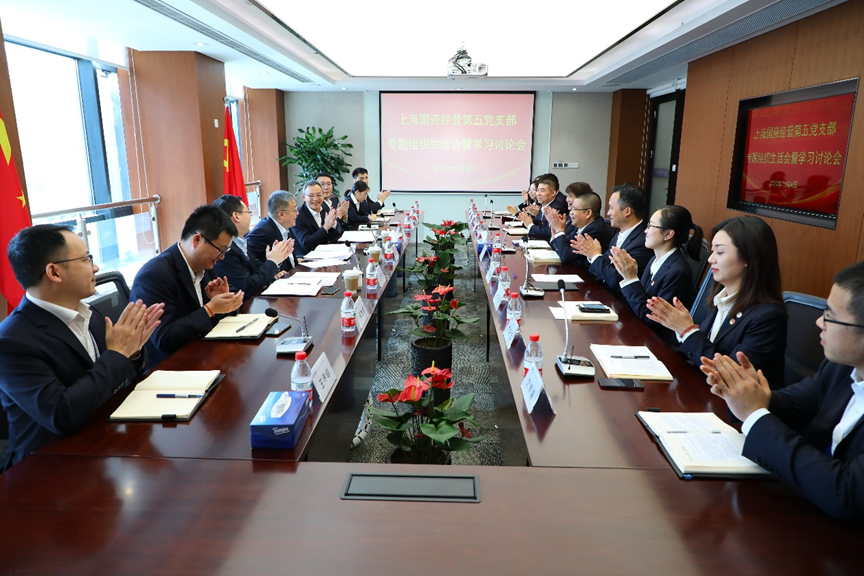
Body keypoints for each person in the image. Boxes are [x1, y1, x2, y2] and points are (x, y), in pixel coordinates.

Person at [701, 261, 864, 519]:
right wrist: (746, 393)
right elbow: (798, 404)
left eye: (830, 316)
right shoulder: (841, 367)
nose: (819, 322)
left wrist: (755, 414)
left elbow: (845, 492)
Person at [0, 224, 163, 470]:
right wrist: (118, 355)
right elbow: (61, 415)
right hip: (45, 468)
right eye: (86, 259)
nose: (95, 267)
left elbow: (115, 376)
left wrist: (133, 352)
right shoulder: (11, 341)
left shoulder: (87, 312)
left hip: (102, 442)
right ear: (54, 272)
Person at [646, 215, 787, 387]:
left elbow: (730, 378)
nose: (710, 259)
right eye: (712, 251)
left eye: (719, 252)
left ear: (748, 258)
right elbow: (705, 350)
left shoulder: (768, 316)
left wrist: (687, 331)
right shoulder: (721, 298)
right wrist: (678, 328)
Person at [130, 205, 244, 367]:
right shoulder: (155, 275)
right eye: (221, 250)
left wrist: (224, 303)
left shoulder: (206, 266)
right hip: (170, 367)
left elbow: (211, 322)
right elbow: (164, 339)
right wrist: (210, 309)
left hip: (203, 356)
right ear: (197, 240)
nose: (222, 257)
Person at [612, 205, 701, 345]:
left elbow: (651, 319)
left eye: (651, 226)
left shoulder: (678, 272)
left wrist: (631, 279)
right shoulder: (654, 259)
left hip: (657, 343)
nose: (646, 231)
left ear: (668, 234)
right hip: (639, 331)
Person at [572, 183, 652, 298]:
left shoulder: (643, 242)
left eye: (611, 208)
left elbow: (615, 279)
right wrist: (591, 255)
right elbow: (604, 266)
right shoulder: (619, 234)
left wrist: (595, 256)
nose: (608, 213)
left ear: (627, 211)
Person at [213, 194, 293, 298]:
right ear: (236, 216)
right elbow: (247, 287)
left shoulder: (241, 241)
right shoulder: (225, 249)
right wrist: (272, 261)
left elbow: (256, 271)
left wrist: (274, 266)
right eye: (248, 212)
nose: (250, 217)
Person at [549, 185, 614, 268]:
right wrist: (556, 234)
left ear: (588, 213)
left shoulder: (595, 230)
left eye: (575, 209)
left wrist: (559, 231)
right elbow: (565, 244)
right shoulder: (582, 225)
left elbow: (566, 256)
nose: (571, 212)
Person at [247, 190, 303, 265]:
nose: (297, 213)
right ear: (281, 214)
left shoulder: (285, 226)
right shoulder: (262, 232)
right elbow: (254, 265)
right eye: (295, 210)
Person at [292, 180, 348, 254]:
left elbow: (336, 234)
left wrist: (334, 224)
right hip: (307, 256)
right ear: (304, 197)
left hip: (325, 252)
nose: (315, 199)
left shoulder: (324, 207)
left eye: (319, 195)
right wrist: (326, 227)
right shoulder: (297, 216)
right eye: (311, 195)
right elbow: (307, 244)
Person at [516, 174, 568, 240]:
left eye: (542, 191)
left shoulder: (556, 208)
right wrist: (525, 219)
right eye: (537, 190)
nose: (538, 194)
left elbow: (548, 232)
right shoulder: (544, 206)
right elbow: (535, 222)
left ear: (553, 193)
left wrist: (530, 225)